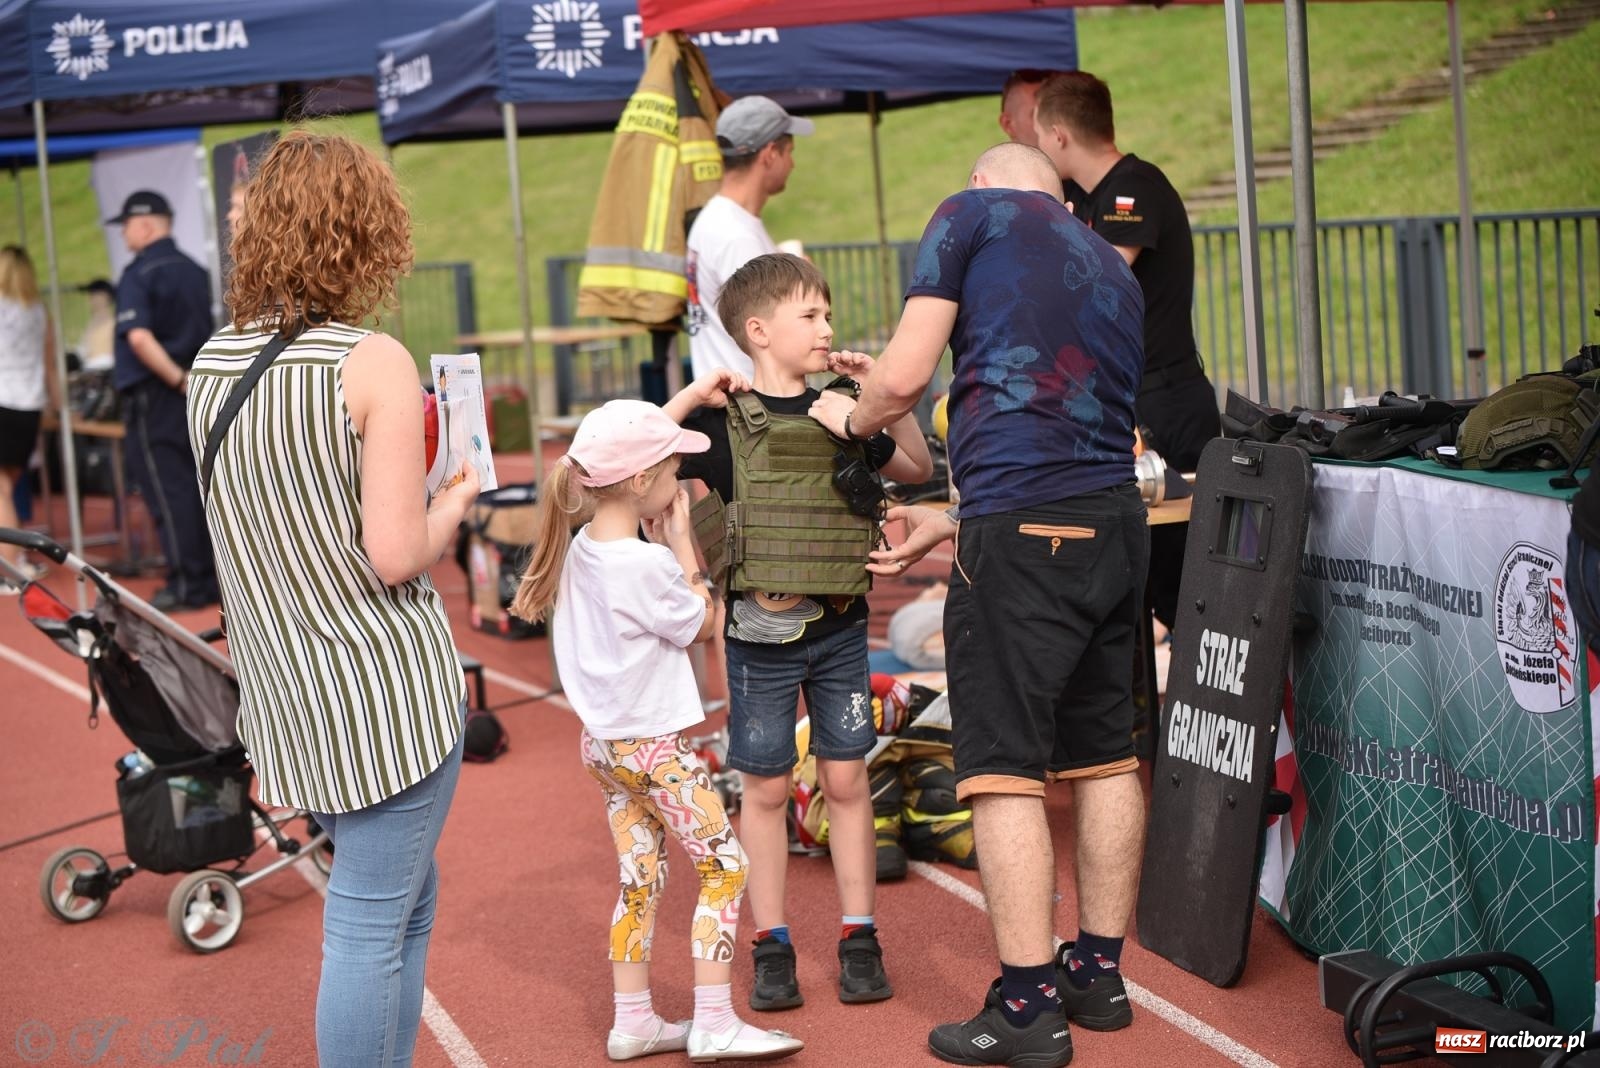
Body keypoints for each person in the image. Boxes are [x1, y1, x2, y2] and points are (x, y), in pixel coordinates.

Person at [809, 143, 1147, 1067]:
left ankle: (1029, 1006)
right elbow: (1065, 433)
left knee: (1001, 767)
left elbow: (908, 373)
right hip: (1114, 524)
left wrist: (855, 413)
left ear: (987, 182)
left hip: (1022, 535)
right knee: (1107, 755)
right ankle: (1098, 975)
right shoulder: (1112, 267)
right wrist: (953, 516)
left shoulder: (971, 213)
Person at [185, 131, 480, 1067]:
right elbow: (394, 554)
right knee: (365, 923)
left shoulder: (212, 362)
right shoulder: (370, 361)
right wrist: (453, 502)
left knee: (401, 902)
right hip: (379, 687)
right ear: (364, 235)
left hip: (287, 685)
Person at [509, 389, 804, 1064]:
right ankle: (714, 1019)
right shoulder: (642, 564)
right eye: (673, 472)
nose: (680, 484)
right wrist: (681, 547)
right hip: (654, 750)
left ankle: (635, 1019)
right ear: (641, 481)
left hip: (605, 748)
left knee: (640, 882)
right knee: (727, 869)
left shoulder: (582, 546)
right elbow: (701, 621)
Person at [678, 253, 932, 1013]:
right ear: (758, 331)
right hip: (760, 638)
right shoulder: (721, 420)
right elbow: (615, 464)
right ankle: (773, 944)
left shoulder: (847, 406)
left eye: (826, 314)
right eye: (810, 316)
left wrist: (882, 397)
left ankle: (860, 937)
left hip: (843, 628)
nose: (827, 327)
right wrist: (691, 393)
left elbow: (916, 467)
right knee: (762, 789)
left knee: (847, 781)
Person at [1032, 71, 1220, 630]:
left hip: (1168, 402)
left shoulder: (1134, 187)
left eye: (1041, 138)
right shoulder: (1093, 197)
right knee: (1149, 585)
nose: (1041, 150)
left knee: (1187, 586)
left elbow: (1092, 285)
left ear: (1060, 135)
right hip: (1136, 401)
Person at [111, 189, 219, 612]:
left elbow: (138, 336)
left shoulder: (140, 273)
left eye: (126, 225)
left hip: (159, 395)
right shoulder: (194, 270)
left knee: (165, 489)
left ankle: (188, 582)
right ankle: (205, 576)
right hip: (192, 393)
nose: (124, 234)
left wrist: (177, 380)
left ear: (145, 225)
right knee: (192, 488)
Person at [685, 96, 812, 382]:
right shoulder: (736, 235)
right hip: (751, 409)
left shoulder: (717, 220)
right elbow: (777, 335)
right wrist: (803, 283)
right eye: (789, 152)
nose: (792, 164)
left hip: (730, 402)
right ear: (769, 154)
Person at [0, 245, 57, 590]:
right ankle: (13, 559)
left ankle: (11, 565)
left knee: (1, 491)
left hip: (3, 399)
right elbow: (50, 365)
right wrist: (57, 405)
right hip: (29, 407)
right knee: (7, 487)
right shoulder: (39, 312)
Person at [76, 279, 116, 370]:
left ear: (105, 296)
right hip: (89, 368)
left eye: (93, 294)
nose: (90, 299)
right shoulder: (92, 323)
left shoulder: (112, 323)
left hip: (105, 369)